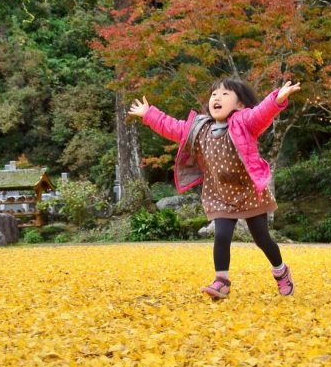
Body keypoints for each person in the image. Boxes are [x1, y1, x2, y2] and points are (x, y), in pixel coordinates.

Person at [128, 78, 301, 298]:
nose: (217, 98)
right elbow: (173, 127)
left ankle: (281, 271)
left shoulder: (244, 122)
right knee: (221, 235)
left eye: (225, 94)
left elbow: (261, 113)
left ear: (239, 104)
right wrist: (149, 114)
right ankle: (222, 281)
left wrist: (277, 98)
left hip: (248, 191)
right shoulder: (200, 128)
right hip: (219, 193)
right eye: (213, 95)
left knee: (262, 239)